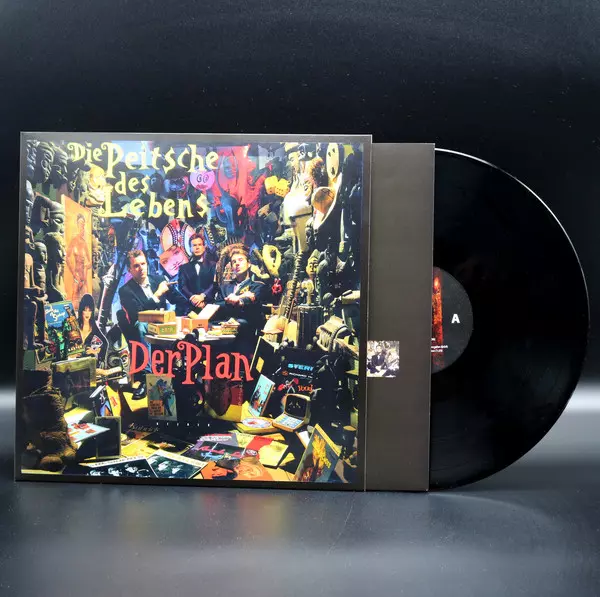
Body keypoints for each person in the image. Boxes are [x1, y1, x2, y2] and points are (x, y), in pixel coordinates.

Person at [118, 249, 184, 392]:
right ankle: (146, 377)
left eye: (143, 264)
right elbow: (138, 314)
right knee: (141, 325)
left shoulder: (159, 280)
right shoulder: (125, 291)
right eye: (136, 266)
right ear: (130, 270)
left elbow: (177, 299)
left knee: (181, 323)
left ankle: (179, 373)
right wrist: (157, 294)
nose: (141, 268)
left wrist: (191, 307)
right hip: (144, 326)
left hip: (163, 323)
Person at [214, 245, 266, 355]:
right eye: (234, 262)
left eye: (240, 260)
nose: (237, 263)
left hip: (245, 335)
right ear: (231, 267)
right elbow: (217, 305)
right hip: (224, 332)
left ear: (249, 264)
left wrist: (238, 300)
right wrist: (235, 299)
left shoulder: (258, 286)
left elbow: (251, 303)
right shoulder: (224, 287)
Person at [177, 233, 216, 314]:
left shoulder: (213, 265)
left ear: (204, 247)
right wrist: (193, 298)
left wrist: (202, 296)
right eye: (194, 245)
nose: (197, 247)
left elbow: (215, 284)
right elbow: (182, 286)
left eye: (200, 245)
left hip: (209, 306)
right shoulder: (183, 268)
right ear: (190, 248)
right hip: (189, 308)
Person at [66, 213, 92, 306]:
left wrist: (86, 267)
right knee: (74, 300)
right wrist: (74, 273)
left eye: (84, 224)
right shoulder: (74, 241)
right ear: (77, 225)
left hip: (84, 276)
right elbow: (67, 257)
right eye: (81, 224)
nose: (83, 226)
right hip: (77, 275)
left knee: (86, 302)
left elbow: (90, 261)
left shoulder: (84, 243)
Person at [77, 293, 108, 367]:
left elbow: (105, 344)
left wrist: (95, 351)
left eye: (90, 310)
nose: (87, 313)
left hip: (88, 363)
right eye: (85, 310)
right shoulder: (75, 325)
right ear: (81, 311)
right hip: (74, 362)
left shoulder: (94, 327)